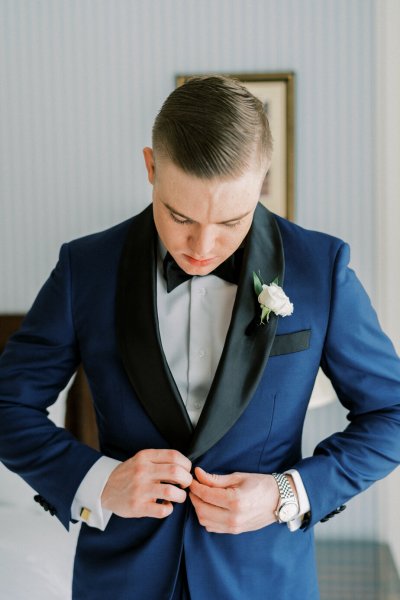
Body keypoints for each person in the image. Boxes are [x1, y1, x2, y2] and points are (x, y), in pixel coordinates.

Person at [0, 75, 399, 600]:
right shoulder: (86, 269)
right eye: (180, 216)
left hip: (265, 582)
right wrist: (99, 481)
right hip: (122, 582)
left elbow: (390, 414)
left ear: (261, 182)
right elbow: (9, 405)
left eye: (232, 221)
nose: (202, 247)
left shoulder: (320, 268)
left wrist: (286, 493)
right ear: (150, 168)